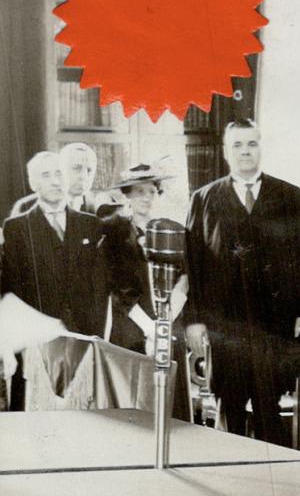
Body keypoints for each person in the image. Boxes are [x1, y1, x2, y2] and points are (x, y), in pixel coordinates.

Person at [182, 119, 300, 443]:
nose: (245, 151)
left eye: (251, 144)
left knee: (270, 406)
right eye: (238, 146)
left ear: (261, 148)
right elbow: (193, 264)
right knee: (228, 406)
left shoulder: (288, 196)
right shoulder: (204, 199)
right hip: (224, 326)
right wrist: (195, 320)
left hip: (273, 324)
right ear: (227, 152)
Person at [0, 151, 107, 340]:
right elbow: (12, 290)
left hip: (85, 336)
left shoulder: (90, 224)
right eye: (46, 175)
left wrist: (96, 334)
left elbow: (99, 287)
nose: (55, 181)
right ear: (33, 184)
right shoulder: (16, 228)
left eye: (59, 174)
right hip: (37, 339)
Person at [97, 163, 181, 352]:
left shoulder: (172, 231)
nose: (146, 198)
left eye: (152, 191)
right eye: (139, 191)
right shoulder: (115, 235)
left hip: (169, 325)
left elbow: (184, 280)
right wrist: (150, 328)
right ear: (127, 195)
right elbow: (119, 291)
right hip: (131, 327)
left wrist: (164, 324)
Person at [7, 141, 106, 221]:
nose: (84, 176)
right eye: (77, 168)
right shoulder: (26, 206)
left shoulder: (100, 208)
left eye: (89, 170)